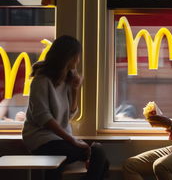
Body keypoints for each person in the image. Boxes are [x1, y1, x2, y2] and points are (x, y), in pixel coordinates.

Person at [22, 35, 109, 180]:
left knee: (101, 157)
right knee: (95, 152)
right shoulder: (41, 81)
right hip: (41, 140)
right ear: (70, 57)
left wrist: (75, 89)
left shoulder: (66, 80)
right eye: (77, 56)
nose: (79, 60)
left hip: (59, 139)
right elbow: (43, 117)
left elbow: (69, 116)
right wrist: (72, 140)